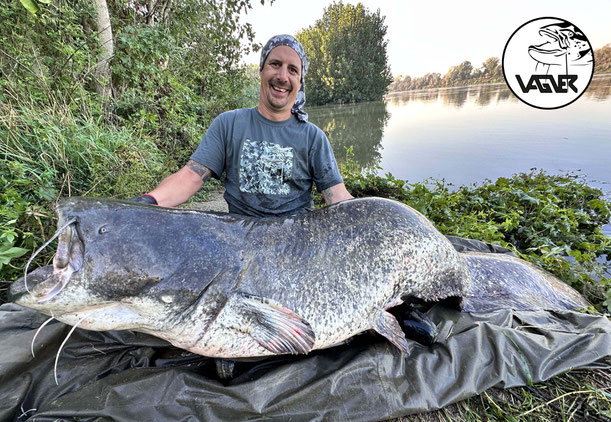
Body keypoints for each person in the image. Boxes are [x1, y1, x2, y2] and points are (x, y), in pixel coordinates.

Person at [132, 34, 352, 216]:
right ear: (261, 71)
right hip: (238, 242)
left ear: (300, 82)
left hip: (294, 246)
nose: (282, 76)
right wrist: (149, 201)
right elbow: (191, 177)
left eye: (293, 70)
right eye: (275, 64)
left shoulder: (313, 138)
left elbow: (337, 197)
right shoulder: (229, 124)